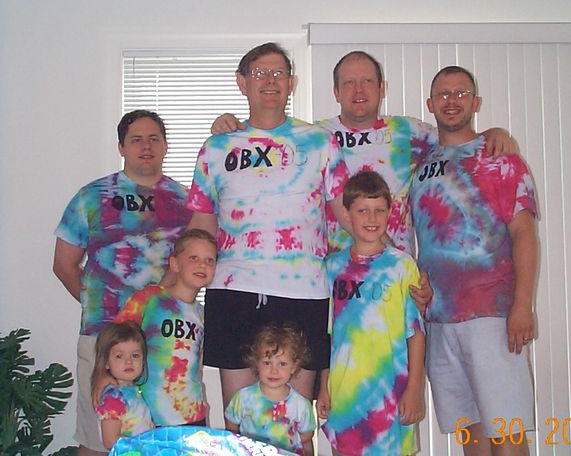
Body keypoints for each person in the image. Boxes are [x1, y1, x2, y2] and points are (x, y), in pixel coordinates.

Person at [211, 50, 515, 258]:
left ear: (382, 88)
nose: (359, 90)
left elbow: (457, 137)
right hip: (333, 275)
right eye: (349, 83)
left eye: (367, 81)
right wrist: (230, 125)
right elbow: (267, 139)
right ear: (336, 92)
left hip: (393, 271)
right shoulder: (314, 138)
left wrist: (495, 133)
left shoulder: (410, 134)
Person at [185, 42, 350, 413]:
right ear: (242, 83)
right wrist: (170, 290)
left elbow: (348, 213)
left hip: (304, 292)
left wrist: (394, 261)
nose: (270, 80)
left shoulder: (319, 142)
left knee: (294, 423)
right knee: (239, 420)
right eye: (260, 73)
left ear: (291, 83)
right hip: (233, 292)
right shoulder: (216, 147)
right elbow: (200, 228)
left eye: (279, 73)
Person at [409, 65, 538, 456]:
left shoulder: (501, 159)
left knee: (507, 432)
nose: (452, 101)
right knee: (470, 433)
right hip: (438, 321)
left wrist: (522, 306)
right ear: (430, 103)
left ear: (475, 102)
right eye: (444, 94)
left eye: (461, 93)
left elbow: (524, 234)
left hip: (491, 317)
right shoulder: (419, 167)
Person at [53, 109, 191, 455]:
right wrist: (100, 307)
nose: (146, 146)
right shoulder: (92, 196)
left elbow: (194, 266)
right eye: (136, 139)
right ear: (121, 147)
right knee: (96, 440)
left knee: (160, 443)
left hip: (162, 340)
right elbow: (64, 265)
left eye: (154, 139)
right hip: (103, 339)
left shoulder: (185, 202)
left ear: (165, 146)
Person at [317, 170, 426, 455]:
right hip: (345, 395)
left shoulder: (402, 266)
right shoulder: (332, 268)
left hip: (390, 395)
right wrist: (323, 386)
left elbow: (416, 334)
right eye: (363, 210)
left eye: (379, 210)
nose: (372, 218)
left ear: (390, 212)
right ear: (346, 214)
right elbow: (328, 336)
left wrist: (415, 389)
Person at [113, 228, 216, 427]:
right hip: (147, 416)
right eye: (193, 258)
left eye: (209, 260)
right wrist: (104, 380)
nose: (202, 265)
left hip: (191, 417)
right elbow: (113, 342)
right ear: (174, 264)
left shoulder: (203, 314)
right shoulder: (149, 299)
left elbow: (197, 366)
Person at [225, 322, 316, 456]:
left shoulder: (301, 404)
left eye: (282, 364)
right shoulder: (243, 397)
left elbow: (307, 434)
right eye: (267, 363)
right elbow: (231, 426)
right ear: (256, 363)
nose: (274, 371)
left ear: (294, 367)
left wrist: (283, 444)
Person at [92, 321, 154, 450]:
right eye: (119, 356)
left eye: (135, 355)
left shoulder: (132, 391)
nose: (129, 361)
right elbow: (110, 440)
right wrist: (145, 447)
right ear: (106, 362)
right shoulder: (113, 396)